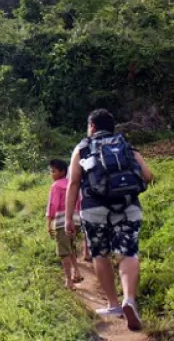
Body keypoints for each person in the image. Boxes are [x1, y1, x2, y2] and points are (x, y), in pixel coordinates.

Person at [65, 109, 153, 331]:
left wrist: (68, 218)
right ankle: (129, 300)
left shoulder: (82, 148)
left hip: (94, 210)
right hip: (128, 207)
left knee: (100, 253)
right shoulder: (125, 146)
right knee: (128, 253)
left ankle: (113, 304)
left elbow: (73, 183)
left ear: (92, 126)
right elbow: (148, 175)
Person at [46, 158, 84, 289]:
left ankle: (69, 281)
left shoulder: (56, 186)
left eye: (54, 171)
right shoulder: (72, 184)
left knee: (64, 252)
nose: (51, 174)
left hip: (62, 222)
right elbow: (79, 202)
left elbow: (53, 205)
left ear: (62, 172)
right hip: (75, 220)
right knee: (70, 247)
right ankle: (77, 272)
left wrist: (49, 222)